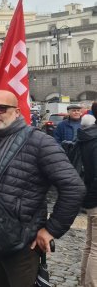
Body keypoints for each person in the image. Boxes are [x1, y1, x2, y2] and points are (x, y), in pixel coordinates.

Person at [0, 90, 85, 286]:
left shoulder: (39, 141)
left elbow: (73, 187)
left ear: (16, 111)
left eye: (1, 108)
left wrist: (51, 230)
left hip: (21, 242)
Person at [79, 112, 97, 285]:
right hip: (95, 197)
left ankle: (85, 281)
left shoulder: (87, 137)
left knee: (90, 244)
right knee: (96, 248)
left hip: (91, 197)